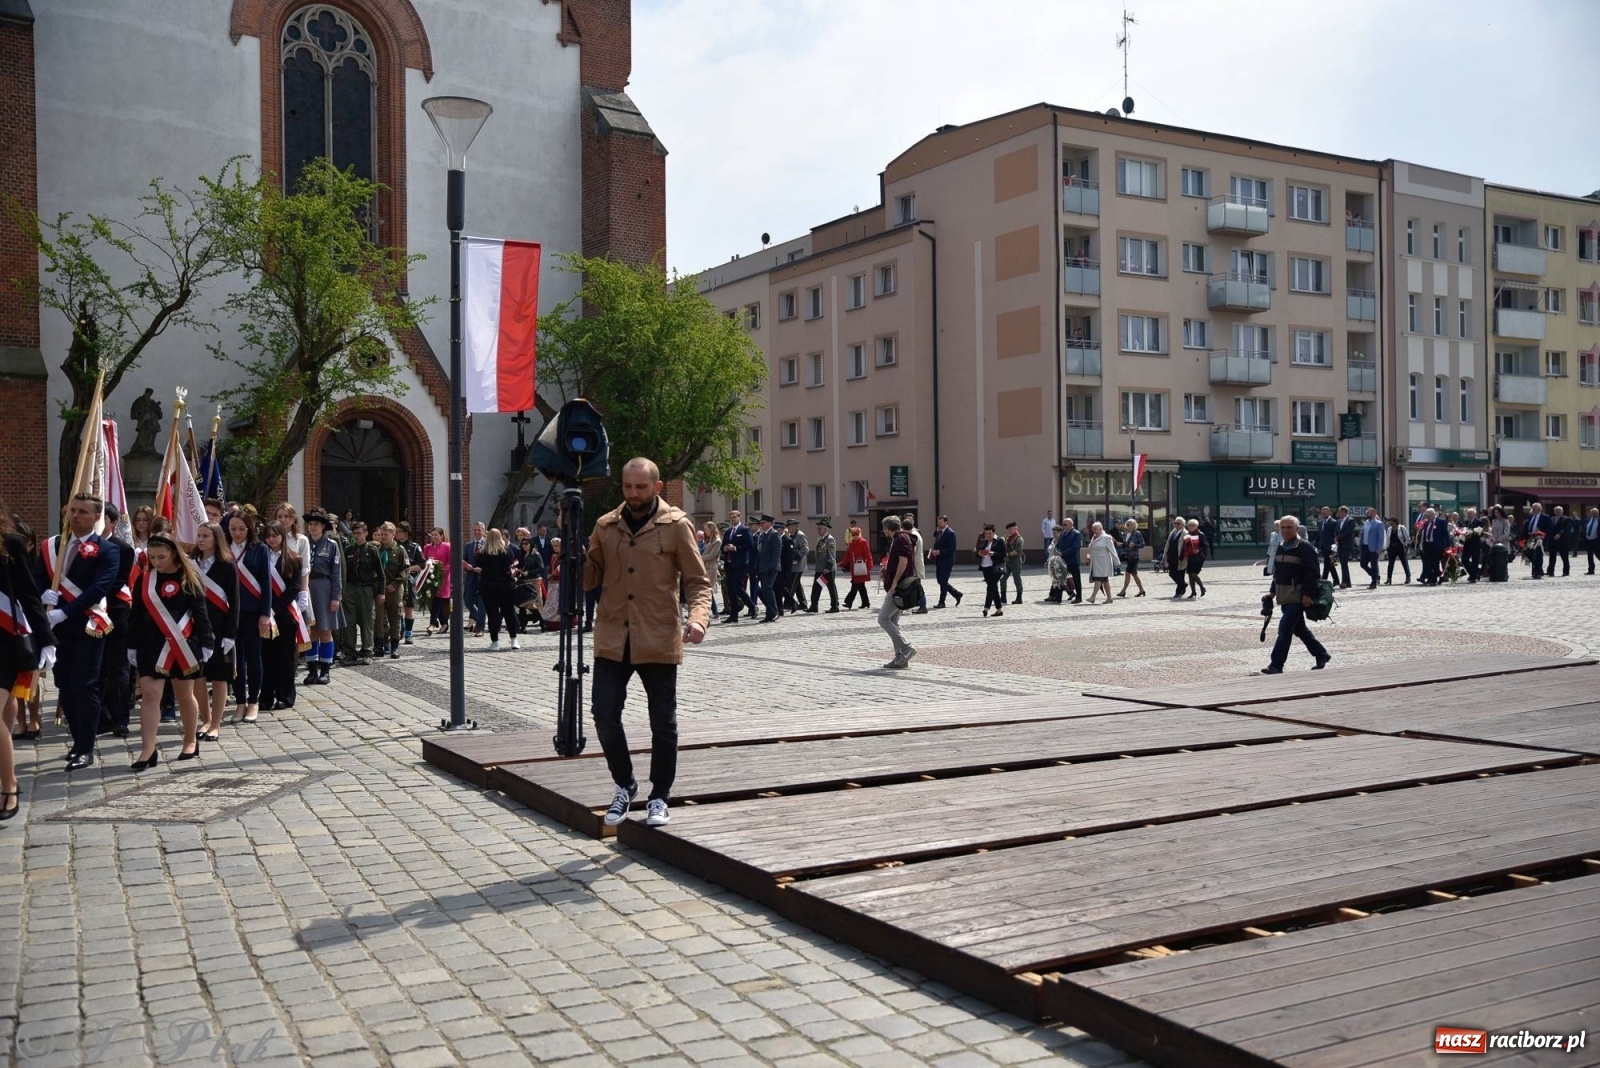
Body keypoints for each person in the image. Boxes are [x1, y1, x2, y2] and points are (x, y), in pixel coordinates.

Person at [586, 458, 711, 829]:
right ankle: (625, 784)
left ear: (656, 487)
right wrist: (576, 554)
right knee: (604, 713)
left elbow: (698, 581)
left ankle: (660, 795)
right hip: (612, 635)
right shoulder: (605, 526)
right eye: (627, 487)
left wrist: (699, 619)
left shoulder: (675, 526)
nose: (634, 494)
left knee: (663, 722)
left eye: (641, 487)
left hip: (658, 635)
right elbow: (587, 580)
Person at [41, 492, 121, 770]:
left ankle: (85, 747)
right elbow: (37, 577)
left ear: (97, 517)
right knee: (63, 685)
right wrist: (43, 595)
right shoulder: (52, 546)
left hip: (88, 624)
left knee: (84, 685)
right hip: (56, 628)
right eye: (72, 511)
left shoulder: (108, 550)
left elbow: (99, 588)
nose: (75, 516)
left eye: (82, 512)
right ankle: (76, 740)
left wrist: (66, 611)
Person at [127, 532, 213, 768]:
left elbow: (201, 613)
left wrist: (207, 642)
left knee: (184, 695)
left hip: (183, 645)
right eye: (151, 557)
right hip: (151, 644)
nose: (156, 561)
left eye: (161, 557)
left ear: (174, 553)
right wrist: (131, 644)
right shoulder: (145, 580)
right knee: (150, 695)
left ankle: (189, 740)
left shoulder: (189, 577)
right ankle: (147, 750)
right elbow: (134, 615)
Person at [0, 508, 53, 821]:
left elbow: (28, 594)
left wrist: (46, 640)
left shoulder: (11, 543)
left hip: (4, 640)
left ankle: (8, 786)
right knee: (6, 717)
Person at [1261, 516, 1331, 675]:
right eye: (1283, 528)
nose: (1285, 530)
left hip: (1297, 596)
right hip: (1284, 596)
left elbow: (1312, 573)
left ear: (1297, 529)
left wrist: (1307, 594)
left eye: (1289, 527)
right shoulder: (1280, 546)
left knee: (1284, 628)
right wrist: (1272, 592)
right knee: (1300, 629)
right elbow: (1277, 573)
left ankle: (1276, 664)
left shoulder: (1305, 547)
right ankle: (1321, 654)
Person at [190, 521, 237, 743]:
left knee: (219, 677)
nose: (200, 539)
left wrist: (230, 634)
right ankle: (205, 719)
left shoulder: (227, 565)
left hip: (220, 627)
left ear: (216, 538)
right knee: (198, 676)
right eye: (199, 535)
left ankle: (216, 724)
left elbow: (235, 602)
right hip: (196, 628)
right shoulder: (190, 564)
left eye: (205, 536)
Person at [96, 503, 137, 741]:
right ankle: (100, 717)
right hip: (87, 615)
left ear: (112, 523)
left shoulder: (123, 550)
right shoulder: (76, 547)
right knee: (96, 667)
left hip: (115, 612)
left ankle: (120, 719)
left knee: (117, 668)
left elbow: (116, 581)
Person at [225, 512, 271, 723]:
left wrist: (265, 613)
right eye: (233, 528)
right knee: (236, 659)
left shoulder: (259, 549)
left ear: (249, 529)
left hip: (253, 612)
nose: (237, 533)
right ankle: (240, 702)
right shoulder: (224, 549)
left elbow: (266, 584)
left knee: (254, 657)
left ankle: (253, 701)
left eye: (241, 529)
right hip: (231, 613)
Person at [258, 522, 308, 712]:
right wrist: (264, 609)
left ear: (282, 536)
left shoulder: (294, 558)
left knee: (285, 657)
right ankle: (265, 696)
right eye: (268, 536)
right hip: (262, 615)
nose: (271, 539)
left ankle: (285, 696)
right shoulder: (259, 556)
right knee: (266, 656)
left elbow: (293, 589)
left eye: (275, 535)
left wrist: (274, 609)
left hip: (284, 615)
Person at [301, 510, 344, 685]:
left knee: (325, 631)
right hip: (307, 587)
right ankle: (312, 670)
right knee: (310, 631)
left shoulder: (331, 545)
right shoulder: (303, 542)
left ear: (323, 526)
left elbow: (336, 572)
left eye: (317, 524)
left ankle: (325, 671)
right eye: (310, 524)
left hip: (324, 588)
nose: (313, 527)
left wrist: (336, 596)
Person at [876, 515, 918, 669]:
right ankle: (900, 658)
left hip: (899, 587)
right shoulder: (901, 538)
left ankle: (906, 648)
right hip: (899, 585)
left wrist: (894, 581)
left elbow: (904, 560)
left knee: (883, 619)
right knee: (893, 621)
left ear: (887, 528)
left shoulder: (900, 539)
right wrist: (887, 570)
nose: (884, 531)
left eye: (884, 529)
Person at [476, 528, 521, 651]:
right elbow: (511, 563)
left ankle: (495, 642)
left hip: (489, 587)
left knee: (492, 615)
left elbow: (479, 566)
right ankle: (513, 640)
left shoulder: (482, 552)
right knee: (509, 613)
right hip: (506, 586)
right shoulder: (506, 551)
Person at [344, 522, 381, 663]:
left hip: (366, 588)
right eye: (354, 533)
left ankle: (367, 652)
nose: (357, 536)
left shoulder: (372, 550)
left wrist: (380, 592)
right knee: (349, 621)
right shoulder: (348, 550)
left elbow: (380, 573)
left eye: (359, 533)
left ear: (366, 534)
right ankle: (349, 652)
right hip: (350, 588)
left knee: (366, 620)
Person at [719, 509, 755, 623]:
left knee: (738, 588)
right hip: (729, 564)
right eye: (731, 518)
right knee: (730, 590)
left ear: (739, 517)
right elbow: (723, 546)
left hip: (740, 564)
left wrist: (735, 548)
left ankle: (752, 606)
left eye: (734, 517)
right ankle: (733, 615)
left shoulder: (744, 530)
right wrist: (725, 548)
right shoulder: (729, 531)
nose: (732, 520)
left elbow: (750, 545)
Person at [422, 527, 452, 633]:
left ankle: (432, 624)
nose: (434, 537)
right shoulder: (427, 547)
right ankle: (444, 624)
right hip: (431, 577)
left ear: (441, 536)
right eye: (432, 535)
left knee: (439, 600)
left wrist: (441, 569)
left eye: (436, 535)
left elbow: (450, 562)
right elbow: (424, 561)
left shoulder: (447, 546)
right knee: (435, 599)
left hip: (443, 577)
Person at [462, 521, 487, 636]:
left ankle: (480, 627)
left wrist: (483, 569)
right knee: (468, 601)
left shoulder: (488, 544)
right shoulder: (469, 545)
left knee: (482, 603)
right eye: (475, 530)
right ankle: (481, 620)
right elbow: (463, 560)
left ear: (483, 531)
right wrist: (466, 565)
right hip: (471, 577)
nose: (477, 532)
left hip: (483, 578)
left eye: (479, 530)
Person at [929, 515, 961, 608]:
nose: (939, 524)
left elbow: (952, 548)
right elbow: (937, 543)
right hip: (939, 560)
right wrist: (934, 550)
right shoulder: (939, 532)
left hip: (947, 561)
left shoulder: (950, 533)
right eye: (938, 522)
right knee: (940, 581)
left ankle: (942, 602)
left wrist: (940, 551)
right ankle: (956, 594)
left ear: (946, 522)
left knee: (943, 581)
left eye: (941, 522)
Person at [808, 518, 839, 613]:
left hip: (827, 569)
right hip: (820, 568)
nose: (818, 530)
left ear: (825, 529)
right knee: (817, 587)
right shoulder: (821, 539)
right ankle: (814, 606)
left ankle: (835, 606)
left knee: (831, 588)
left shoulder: (830, 539)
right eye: (818, 528)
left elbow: (831, 554)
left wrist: (828, 567)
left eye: (820, 528)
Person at [975, 523, 1005, 617]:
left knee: (990, 587)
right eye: (986, 533)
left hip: (995, 568)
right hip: (985, 567)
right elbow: (977, 551)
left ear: (994, 533)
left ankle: (986, 608)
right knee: (993, 588)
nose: (988, 535)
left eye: (989, 533)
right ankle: (999, 610)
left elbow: (1004, 554)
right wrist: (979, 553)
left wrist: (994, 553)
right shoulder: (984, 542)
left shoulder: (1000, 541)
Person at [842, 525, 873, 610]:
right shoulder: (851, 544)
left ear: (859, 534)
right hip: (855, 568)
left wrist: (870, 565)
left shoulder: (863, 542)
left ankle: (848, 602)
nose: (855, 536)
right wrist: (841, 563)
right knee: (861, 587)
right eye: (853, 534)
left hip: (862, 567)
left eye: (856, 534)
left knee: (855, 586)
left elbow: (868, 554)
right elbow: (848, 555)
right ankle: (866, 602)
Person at [1085, 521, 1117, 604]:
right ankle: (1109, 598)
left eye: (1095, 529)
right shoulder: (1093, 537)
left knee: (1098, 578)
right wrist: (1088, 557)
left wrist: (1117, 561)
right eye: (1093, 529)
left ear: (1100, 529)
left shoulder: (1106, 537)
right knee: (1105, 580)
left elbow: (1112, 550)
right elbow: (1090, 548)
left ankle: (1093, 597)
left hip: (1103, 562)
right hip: (1095, 562)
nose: (1093, 530)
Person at [902, 515, 928, 614]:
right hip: (916, 565)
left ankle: (922, 605)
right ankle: (918, 604)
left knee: (917, 587)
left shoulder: (913, 536)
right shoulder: (915, 533)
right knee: (916, 587)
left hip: (915, 566)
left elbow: (911, 553)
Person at [699, 521, 723, 618]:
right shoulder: (709, 540)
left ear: (711, 529)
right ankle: (713, 611)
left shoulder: (717, 541)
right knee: (706, 590)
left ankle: (714, 612)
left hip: (711, 568)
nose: (705, 531)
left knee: (708, 590)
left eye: (706, 529)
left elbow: (712, 555)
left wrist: (699, 557)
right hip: (705, 567)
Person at [1055, 518, 1083, 604]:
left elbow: (1075, 547)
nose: (1063, 526)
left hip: (1073, 560)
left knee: (1076, 579)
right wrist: (1057, 550)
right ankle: (1058, 598)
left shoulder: (1076, 534)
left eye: (1065, 524)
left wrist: (1063, 553)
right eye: (1063, 524)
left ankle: (1079, 597)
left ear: (1071, 525)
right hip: (1063, 561)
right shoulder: (1063, 534)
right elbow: (1058, 545)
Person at [1116, 519, 1145, 598]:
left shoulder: (1137, 533)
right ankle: (1141, 590)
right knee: (1134, 574)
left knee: (1127, 573)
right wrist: (1121, 544)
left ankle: (1123, 591)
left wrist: (1135, 545)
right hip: (1128, 556)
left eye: (1129, 524)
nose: (1127, 526)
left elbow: (1142, 544)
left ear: (1134, 526)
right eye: (1127, 524)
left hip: (1134, 557)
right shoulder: (1126, 534)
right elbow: (1126, 545)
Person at [1359, 507, 1386, 589]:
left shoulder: (1379, 524)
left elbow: (1381, 537)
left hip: (1374, 548)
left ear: (1374, 513)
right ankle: (1374, 575)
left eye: (1369, 512)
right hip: (1365, 546)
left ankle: (1373, 582)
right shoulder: (1366, 523)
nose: (1367, 514)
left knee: (1374, 565)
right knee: (1363, 564)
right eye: (1367, 512)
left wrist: (1379, 548)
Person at [1182, 518, 1209, 598]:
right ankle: (1193, 592)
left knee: (1194, 574)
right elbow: (1185, 546)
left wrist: (1199, 550)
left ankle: (1202, 587)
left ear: (1196, 526)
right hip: (1190, 557)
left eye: (1193, 525)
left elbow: (1205, 546)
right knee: (1190, 574)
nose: (1190, 527)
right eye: (1189, 525)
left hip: (1198, 557)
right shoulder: (1187, 535)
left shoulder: (1200, 534)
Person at [786, 520, 809, 612]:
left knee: (792, 584)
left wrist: (795, 555)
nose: (788, 528)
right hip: (792, 564)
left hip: (798, 564)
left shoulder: (800, 535)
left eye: (790, 526)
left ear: (795, 526)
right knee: (797, 585)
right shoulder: (790, 535)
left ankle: (788, 603)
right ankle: (803, 603)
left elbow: (805, 549)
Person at [1521, 503, 1549, 579]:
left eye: (1534, 509)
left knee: (1538, 555)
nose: (1532, 510)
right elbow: (1526, 527)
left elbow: (1547, 529)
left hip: (1539, 539)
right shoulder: (1530, 517)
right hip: (1530, 539)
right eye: (1532, 508)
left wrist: (1541, 535)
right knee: (1531, 555)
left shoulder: (1545, 517)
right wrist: (1522, 539)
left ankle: (1538, 572)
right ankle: (1534, 570)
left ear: (1539, 509)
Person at [1163, 516, 1188, 599]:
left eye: (1178, 523)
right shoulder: (1173, 532)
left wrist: (1184, 557)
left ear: (1182, 525)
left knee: (1180, 574)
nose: (1176, 525)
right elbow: (1168, 543)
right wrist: (1165, 555)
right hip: (1171, 556)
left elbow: (1187, 547)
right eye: (1175, 523)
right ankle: (1183, 585)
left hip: (1180, 558)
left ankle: (1179, 591)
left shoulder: (1186, 533)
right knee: (1171, 573)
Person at [1384, 516, 1412, 585]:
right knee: (1390, 564)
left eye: (1392, 523)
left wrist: (1406, 546)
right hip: (1391, 548)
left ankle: (1408, 577)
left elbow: (1407, 538)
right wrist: (1386, 547)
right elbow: (1388, 539)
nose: (1391, 524)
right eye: (1389, 523)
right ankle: (1389, 578)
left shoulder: (1401, 528)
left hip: (1400, 547)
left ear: (1395, 522)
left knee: (1404, 563)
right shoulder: (1389, 529)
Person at [1547, 505, 1573, 578]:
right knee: (1552, 557)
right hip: (1553, 541)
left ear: (1562, 511)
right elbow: (1550, 528)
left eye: (1559, 511)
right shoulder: (1551, 519)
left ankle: (1566, 572)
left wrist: (1559, 534)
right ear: (1554, 512)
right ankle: (1550, 571)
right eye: (1556, 511)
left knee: (1564, 558)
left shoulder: (1566, 519)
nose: (1558, 512)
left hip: (1563, 541)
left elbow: (1566, 528)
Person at [1003, 522, 1024, 605]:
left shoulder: (1019, 539)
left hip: (1015, 562)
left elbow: (1018, 550)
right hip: (1008, 562)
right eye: (1008, 529)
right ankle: (1003, 597)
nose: (1009, 531)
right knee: (1002, 579)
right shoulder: (1008, 538)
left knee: (1017, 579)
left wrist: (1008, 554)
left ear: (1015, 529)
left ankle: (1019, 598)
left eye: (1011, 529)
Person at [1585, 506, 1600, 576]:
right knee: (1589, 556)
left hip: (1597, 540)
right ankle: (1591, 570)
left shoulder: (1599, 520)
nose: (1594, 514)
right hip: (1589, 541)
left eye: (1595, 513)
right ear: (1591, 514)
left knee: (1598, 554)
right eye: (1593, 513)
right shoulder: (1588, 520)